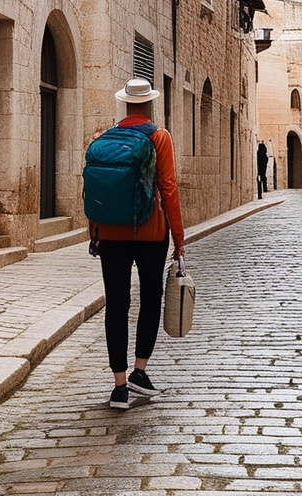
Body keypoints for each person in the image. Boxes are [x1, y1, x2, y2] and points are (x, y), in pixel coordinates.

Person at [93, 77, 185, 410]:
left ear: (125, 104)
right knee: (150, 298)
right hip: (150, 232)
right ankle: (139, 371)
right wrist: (179, 238)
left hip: (111, 233)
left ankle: (118, 386)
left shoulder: (105, 138)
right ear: (149, 104)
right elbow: (169, 190)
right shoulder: (159, 137)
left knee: (116, 304)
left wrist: (96, 233)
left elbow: (97, 192)